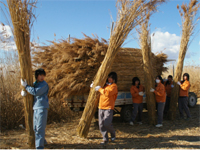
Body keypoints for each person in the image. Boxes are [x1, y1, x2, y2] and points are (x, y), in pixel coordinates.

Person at [21, 68, 49, 149]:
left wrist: (26, 86)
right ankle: (43, 142)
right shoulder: (35, 84)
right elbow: (30, 89)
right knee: (35, 128)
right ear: (37, 76)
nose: (42, 77)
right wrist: (24, 91)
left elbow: (35, 92)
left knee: (40, 128)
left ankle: (39, 147)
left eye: (43, 75)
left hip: (42, 107)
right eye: (40, 75)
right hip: (36, 108)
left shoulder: (44, 84)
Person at [91, 72, 118, 145]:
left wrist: (99, 89)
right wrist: (93, 87)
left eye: (111, 78)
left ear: (114, 79)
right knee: (101, 124)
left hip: (108, 107)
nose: (110, 79)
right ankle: (105, 139)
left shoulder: (114, 86)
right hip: (101, 107)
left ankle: (113, 133)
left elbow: (107, 93)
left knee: (107, 123)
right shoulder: (104, 85)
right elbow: (98, 90)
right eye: (109, 77)